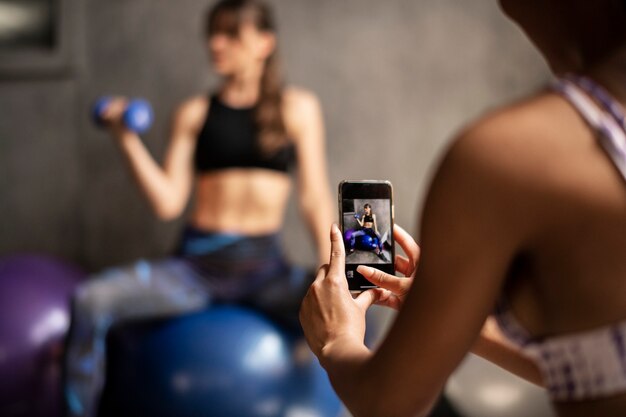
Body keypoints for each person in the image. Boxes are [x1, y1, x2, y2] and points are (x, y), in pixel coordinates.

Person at [299, 1, 626, 416]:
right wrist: (462, 325)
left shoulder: (509, 156)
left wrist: (336, 340)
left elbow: (389, 402)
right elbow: (594, 363)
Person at [65, 1, 333, 416]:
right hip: (195, 270)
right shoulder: (193, 113)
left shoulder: (297, 108)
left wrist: (329, 268)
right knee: (90, 301)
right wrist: (125, 138)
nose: (216, 44)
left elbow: (313, 198)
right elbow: (167, 202)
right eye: (213, 33)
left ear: (264, 43)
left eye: (230, 34)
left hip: (266, 271)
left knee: (366, 307)